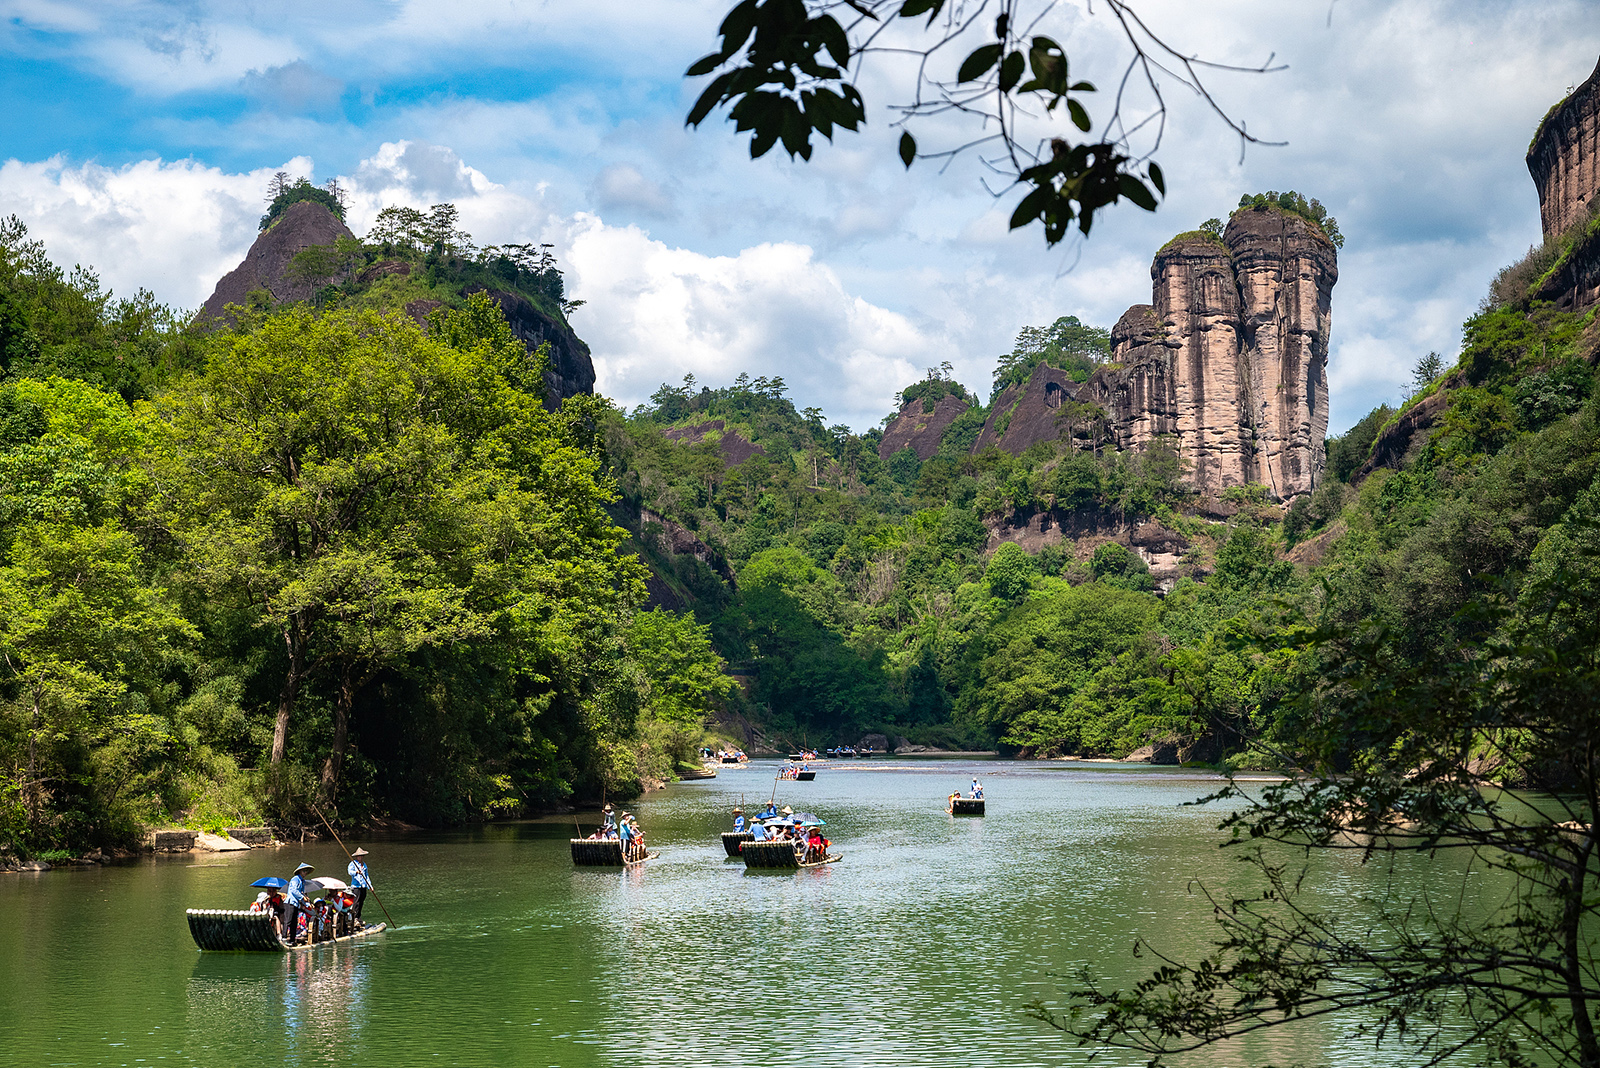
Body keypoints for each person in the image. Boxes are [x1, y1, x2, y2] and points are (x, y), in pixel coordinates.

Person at [283, 862, 313, 946]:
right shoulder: (295, 879)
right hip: (290, 902)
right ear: (300, 871)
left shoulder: (302, 881)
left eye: (306, 871)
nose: (305, 873)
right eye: (304, 871)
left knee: (294, 922)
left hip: (296, 904)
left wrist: (307, 904)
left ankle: (292, 940)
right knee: (288, 921)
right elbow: (294, 890)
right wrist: (302, 897)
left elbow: (301, 894)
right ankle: (284, 938)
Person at [347, 848, 373, 923]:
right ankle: (354, 918)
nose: (360, 858)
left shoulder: (364, 865)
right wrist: (356, 872)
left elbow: (366, 876)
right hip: (356, 886)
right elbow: (350, 872)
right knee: (356, 902)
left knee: (361, 901)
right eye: (358, 856)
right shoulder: (353, 864)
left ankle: (358, 917)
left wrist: (370, 886)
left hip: (363, 886)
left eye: (361, 856)